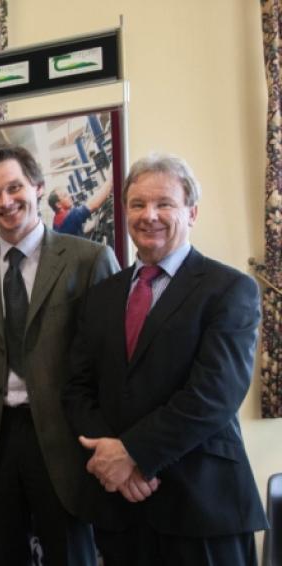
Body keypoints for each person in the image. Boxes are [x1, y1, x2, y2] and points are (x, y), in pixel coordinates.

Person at [63, 153, 267, 566]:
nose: (149, 215)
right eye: (137, 204)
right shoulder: (101, 296)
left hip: (202, 507)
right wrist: (111, 460)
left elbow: (214, 394)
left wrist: (132, 455)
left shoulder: (230, 289)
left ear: (191, 212)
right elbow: (77, 388)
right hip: (120, 509)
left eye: (164, 204)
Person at [0, 145, 119, 566]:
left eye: (15, 187)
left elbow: (112, 362)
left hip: (65, 440)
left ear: (37, 186)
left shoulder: (88, 260)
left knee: (69, 555)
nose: (6, 201)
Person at [48, 174, 112, 236]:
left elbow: (80, 230)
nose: (70, 196)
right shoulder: (69, 217)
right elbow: (94, 205)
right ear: (58, 205)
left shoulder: (57, 220)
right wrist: (111, 180)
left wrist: (97, 222)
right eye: (65, 196)